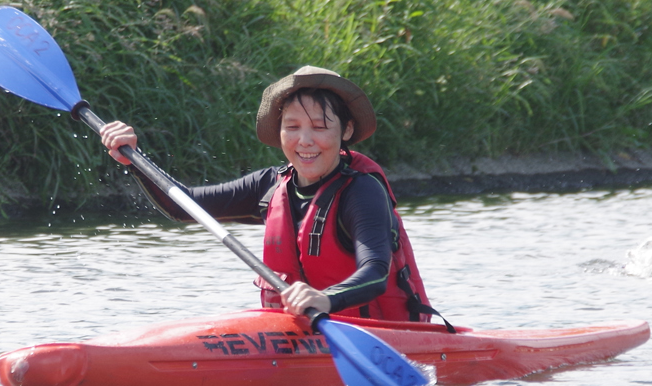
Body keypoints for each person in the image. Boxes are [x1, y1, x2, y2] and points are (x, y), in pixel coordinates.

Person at [97, 66, 443, 324]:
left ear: (346, 131)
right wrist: (133, 159)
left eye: (320, 128)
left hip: (380, 335)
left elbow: (376, 273)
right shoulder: (270, 185)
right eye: (292, 127)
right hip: (299, 335)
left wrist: (325, 300)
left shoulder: (361, 191)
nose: (304, 141)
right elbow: (183, 206)